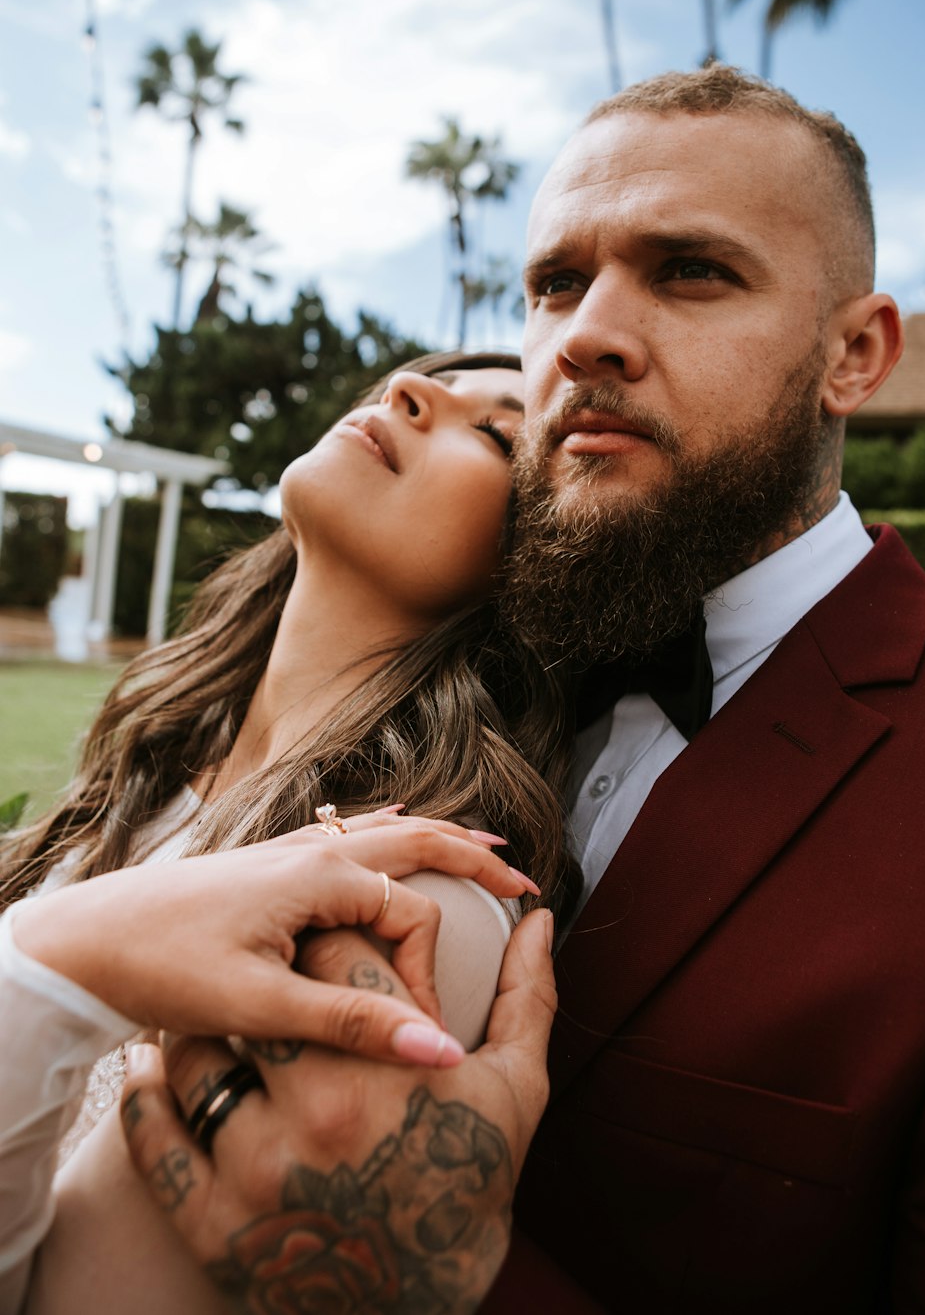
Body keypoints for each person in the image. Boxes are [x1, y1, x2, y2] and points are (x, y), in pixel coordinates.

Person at [120, 64, 925, 1314]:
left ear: (853, 354)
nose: (583, 331)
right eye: (553, 283)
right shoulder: (457, 662)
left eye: (692, 270)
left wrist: (456, 1281)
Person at [0, 351, 573, 1312]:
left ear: (535, 573)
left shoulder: (409, 905)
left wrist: (54, 960)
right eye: (421, 380)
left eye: (492, 431)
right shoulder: (150, 776)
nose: (407, 390)